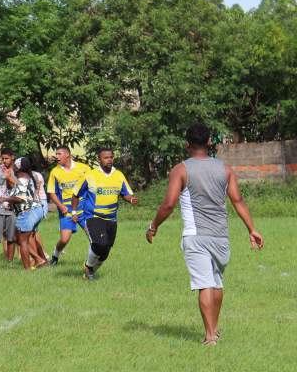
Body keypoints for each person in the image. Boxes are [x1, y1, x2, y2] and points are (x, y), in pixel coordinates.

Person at [146, 124, 264, 346]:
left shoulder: (180, 170)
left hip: (196, 235)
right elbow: (237, 201)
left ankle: (210, 337)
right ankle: (214, 330)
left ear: (187, 144)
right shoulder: (225, 169)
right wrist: (252, 229)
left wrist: (153, 226)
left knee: (204, 284)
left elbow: (169, 204)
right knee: (216, 283)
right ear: (210, 142)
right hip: (221, 236)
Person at [69, 148, 138, 280]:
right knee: (99, 244)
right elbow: (76, 194)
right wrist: (73, 211)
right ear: (99, 160)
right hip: (93, 216)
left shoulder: (118, 175)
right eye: (106, 158)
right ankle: (89, 267)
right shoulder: (90, 175)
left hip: (111, 218)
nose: (109, 160)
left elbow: (125, 193)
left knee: (105, 251)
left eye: (111, 157)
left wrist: (131, 199)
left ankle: (89, 272)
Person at [47, 145, 90, 265]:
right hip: (66, 209)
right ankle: (55, 256)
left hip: (83, 207)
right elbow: (51, 192)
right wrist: (61, 207)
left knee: (92, 236)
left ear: (68, 155)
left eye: (59, 154)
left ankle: (91, 263)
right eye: (56, 154)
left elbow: (93, 186)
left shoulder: (84, 168)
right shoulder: (55, 172)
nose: (57, 156)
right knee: (65, 239)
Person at [2, 158, 47, 270]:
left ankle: (28, 268)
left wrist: (4, 199)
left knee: (22, 241)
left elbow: (20, 198)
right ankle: (39, 259)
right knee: (19, 238)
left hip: (27, 212)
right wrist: (8, 177)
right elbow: (13, 188)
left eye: (15, 165)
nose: (13, 166)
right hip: (35, 210)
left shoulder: (22, 179)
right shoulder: (26, 178)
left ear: (19, 167)